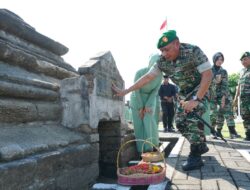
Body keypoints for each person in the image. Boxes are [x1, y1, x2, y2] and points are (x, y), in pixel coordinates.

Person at [112, 30, 212, 171]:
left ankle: (195, 154)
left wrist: (196, 99)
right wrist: (126, 91)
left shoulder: (193, 51)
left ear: (177, 44)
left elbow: (208, 74)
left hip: (201, 88)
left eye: (167, 49)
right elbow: (148, 77)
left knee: (191, 116)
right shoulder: (162, 61)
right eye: (161, 50)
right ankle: (200, 144)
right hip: (184, 93)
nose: (164, 54)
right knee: (180, 123)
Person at [130, 54, 163, 153]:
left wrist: (148, 105)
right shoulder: (140, 72)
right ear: (150, 63)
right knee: (139, 124)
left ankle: (152, 147)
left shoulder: (159, 75)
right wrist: (140, 107)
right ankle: (141, 150)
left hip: (150, 99)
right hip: (137, 99)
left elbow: (155, 91)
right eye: (155, 63)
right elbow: (136, 89)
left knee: (149, 121)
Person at [210, 52, 241, 139]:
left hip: (222, 95)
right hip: (212, 95)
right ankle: (213, 131)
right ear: (214, 59)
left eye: (221, 60)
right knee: (213, 114)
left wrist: (223, 98)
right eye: (218, 59)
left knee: (228, 112)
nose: (220, 61)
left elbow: (224, 85)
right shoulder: (209, 70)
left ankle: (232, 132)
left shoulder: (223, 71)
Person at [233, 52, 250, 141]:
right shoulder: (242, 71)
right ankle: (248, 134)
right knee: (245, 117)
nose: (243, 62)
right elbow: (239, 86)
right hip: (243, 100)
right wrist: (235, 99)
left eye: (245, 59)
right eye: (242, 60)